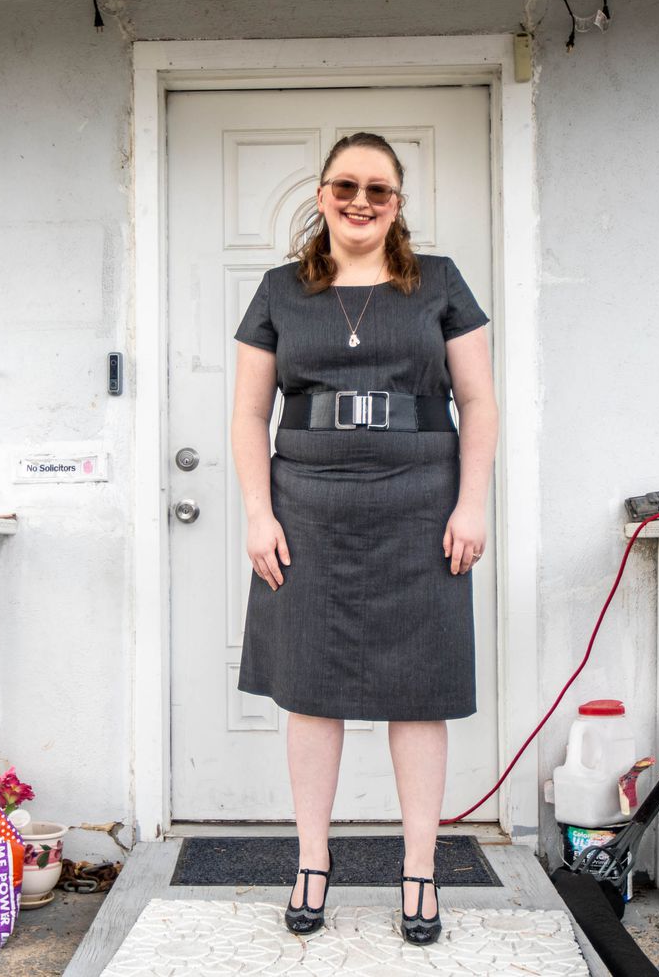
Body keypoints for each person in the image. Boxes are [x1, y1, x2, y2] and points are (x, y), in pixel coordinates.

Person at [229, 132, 498, 945]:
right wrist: (256, 511)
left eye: (379, 189)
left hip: (421, 504)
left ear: (397, 204)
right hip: (306, 506)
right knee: (311, 687)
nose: (361, 200)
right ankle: (313, 859)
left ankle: (420, 867)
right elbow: (248, 412)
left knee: (418, 689)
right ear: (320, 194)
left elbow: (477, 402)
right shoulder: (279, 290)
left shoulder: (439, 283)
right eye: (346, 185)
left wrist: (472, 504)